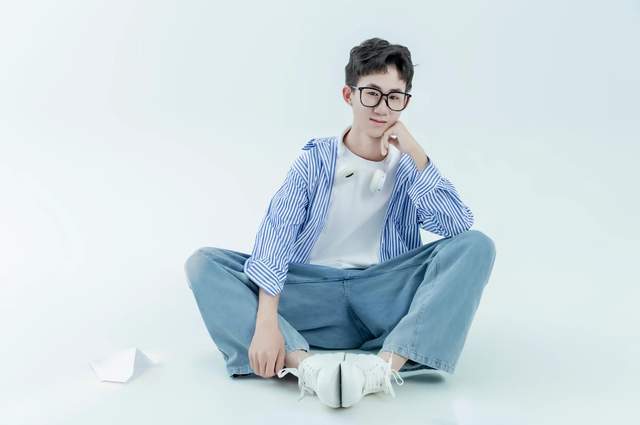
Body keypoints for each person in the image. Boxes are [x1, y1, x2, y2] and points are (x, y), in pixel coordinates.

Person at [184, 37, 496, 408]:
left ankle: (384, 368)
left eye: (394, 97)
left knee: (477, 245)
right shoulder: (315, 160)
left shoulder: (409, 167)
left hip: (383, 299)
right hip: (312, 296)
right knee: (204, 263)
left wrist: (415, 152)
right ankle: (306, 367)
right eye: (372, 94)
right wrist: (266, 322)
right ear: (349, 95)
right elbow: (276, 236)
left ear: (405, 102)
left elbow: (457, 225)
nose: (382, 107)